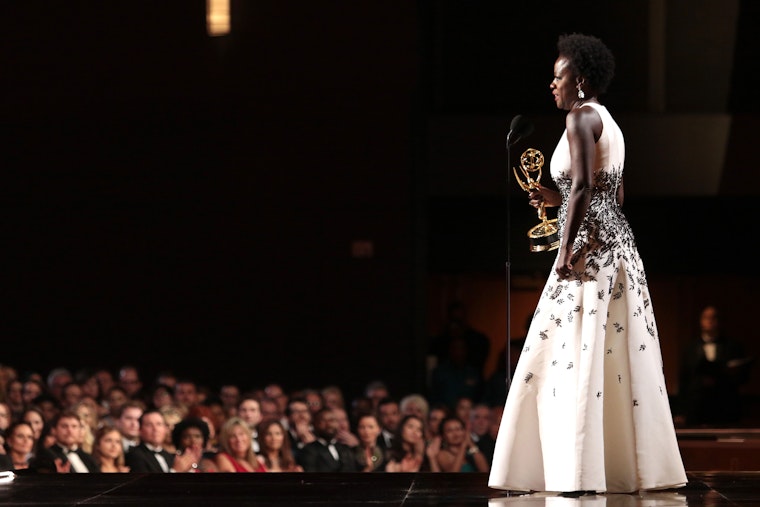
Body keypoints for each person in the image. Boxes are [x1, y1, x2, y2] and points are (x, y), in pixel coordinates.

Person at [488, 33, 687, 494]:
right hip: (619, 251)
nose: (551, 85)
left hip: (587, 255)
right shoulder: (609, 122)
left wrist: (563, 250)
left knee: (563, 355)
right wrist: (554, 198)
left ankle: (575, 471)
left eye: (557, 77)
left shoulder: (579, 118)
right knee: (611, 358)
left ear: (578, 79)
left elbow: (582, 188)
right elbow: (612, 195)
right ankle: (617, 468)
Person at [677, 305, 753, 427]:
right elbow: (683, 380)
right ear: (701, 321)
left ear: (719, 321)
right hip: (696, 410)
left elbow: (743, 377)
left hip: (725, 408)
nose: (710, 321)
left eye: (714, 317)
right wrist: (681, 411)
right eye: (706, 317)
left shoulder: (733, 347)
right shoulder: (690, 349)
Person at [125, 409, 200, 473]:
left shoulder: (168, 456)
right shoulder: (134, 455)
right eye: (149, 425)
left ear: (164, 429)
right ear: (140, 430)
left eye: (159, 424)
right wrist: (175, 471)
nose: (155, 429)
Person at [296, 408, 359, 473]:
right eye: (324, 421)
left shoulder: (345, 449)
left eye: (332, 420)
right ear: (315, 424)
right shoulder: (309, 450)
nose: (329, 424)